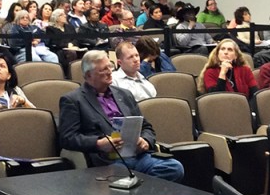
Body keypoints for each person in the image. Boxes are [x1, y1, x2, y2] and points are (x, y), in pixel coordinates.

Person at [58, 50, 183, 182]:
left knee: (173, 167)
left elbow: (146, 126)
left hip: (137, 155)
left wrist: (145, 140)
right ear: (89, 75)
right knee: (125, 178)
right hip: (108, 160)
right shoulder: (73, 100)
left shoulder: (124, 95)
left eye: (110, 67)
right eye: (103, 69)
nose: (109, 72)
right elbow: (67, 138)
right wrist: (98, 143)